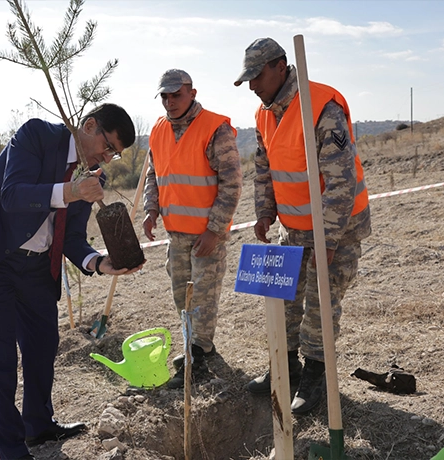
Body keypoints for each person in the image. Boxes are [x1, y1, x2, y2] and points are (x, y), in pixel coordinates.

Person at [0, 104, 142, 459]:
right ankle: (12, 450)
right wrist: (72, 191)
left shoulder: (93, 176)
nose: (107, 159)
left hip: (35, 268)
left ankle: (38, 425)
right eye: (108, 147)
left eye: (115, 154)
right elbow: (12, 195)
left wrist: (98, 262)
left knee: (43, 344)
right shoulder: (35, 136)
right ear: (89, 125)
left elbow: (73, 237)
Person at [234, 37, 371, 415]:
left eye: (257, 76)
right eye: (248, 78)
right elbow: (264, 167)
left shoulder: (320, 107)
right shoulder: (264, 113)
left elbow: (341, 182)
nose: (252, 85)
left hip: (336, 227)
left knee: (320, 305)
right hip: (293, 229)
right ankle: (286, 368)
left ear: (281, 66)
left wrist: (327, 240)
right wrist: (265, 211)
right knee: (286, 302)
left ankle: (316, 376)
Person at [142, 69, 242, 389]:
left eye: (177, 95)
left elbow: (232, 183)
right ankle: (196, 349)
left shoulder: (215, 129)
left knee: (203, 299)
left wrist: (215, 230)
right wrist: (151, 210)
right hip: (176, 236)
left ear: (192, 93)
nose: (170, 102)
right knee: (182, 301)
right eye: (165, 96)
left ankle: (197, 357)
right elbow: (154, 176)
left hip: (205, 238)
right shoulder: (158, 130)